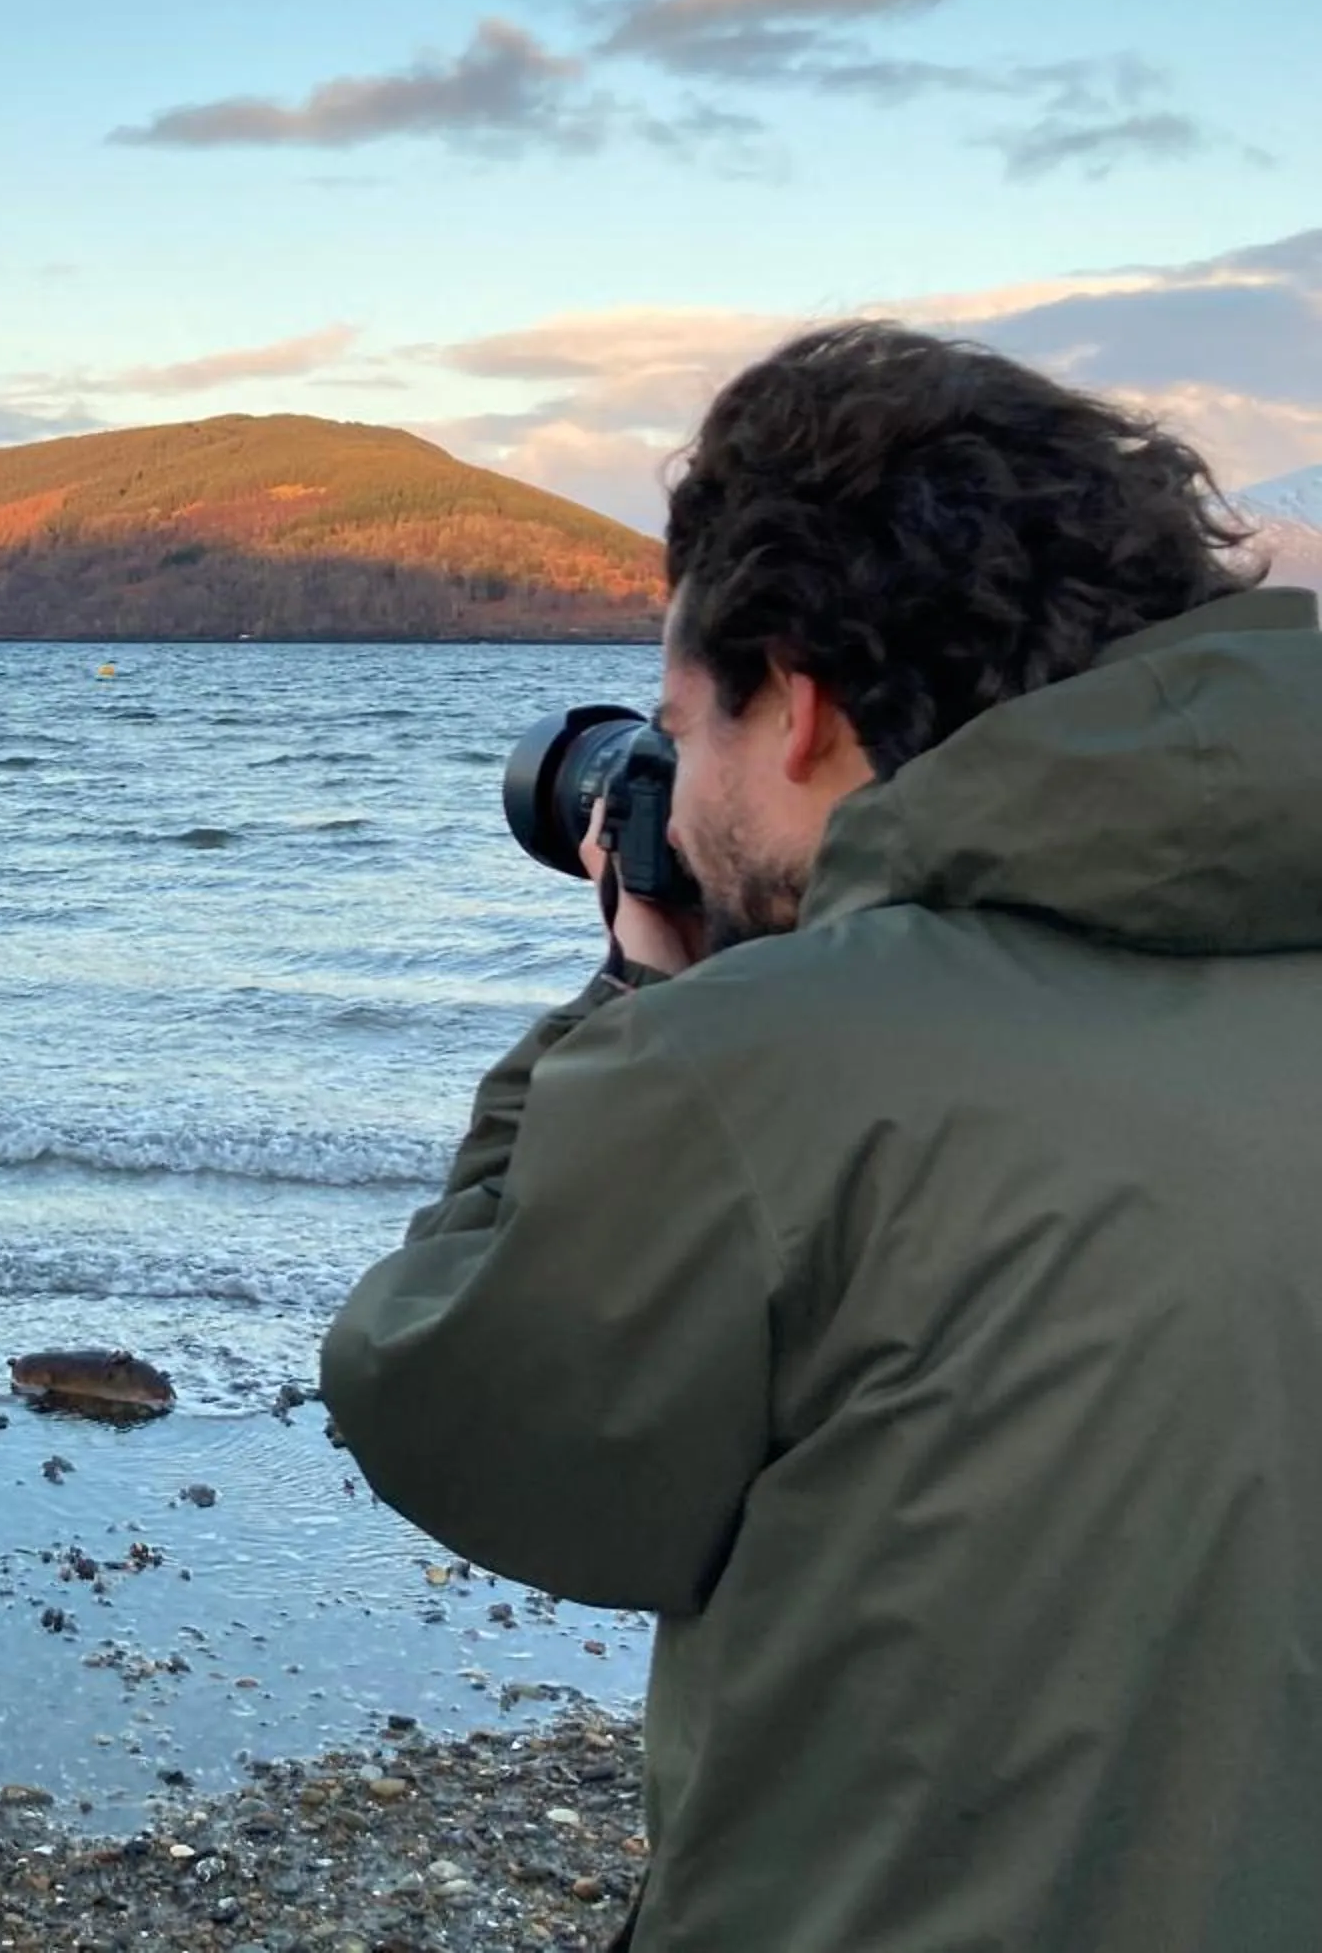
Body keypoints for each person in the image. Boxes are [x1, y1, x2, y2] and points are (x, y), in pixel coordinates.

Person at [321, 321, 1322, 1952]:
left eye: (682, 726)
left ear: (793, 702)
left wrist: (634, 988)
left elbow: (452, 1404)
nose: (670, 791)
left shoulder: (766, 1065)